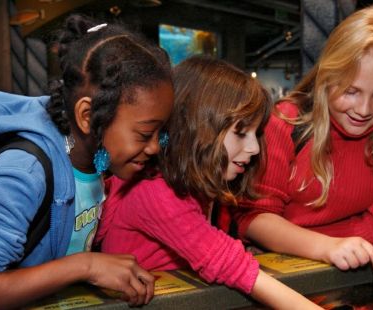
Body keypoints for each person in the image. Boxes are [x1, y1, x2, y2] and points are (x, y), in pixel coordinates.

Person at [0, 15, 174, 309]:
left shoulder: (94, 161)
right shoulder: (25, 172)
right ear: (87, 117)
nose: (154, 148)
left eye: (161, 134)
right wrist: (86, 266)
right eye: (145, 133)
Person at [224, 5, 373, 271]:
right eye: (351, 91)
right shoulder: (287, 121)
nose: (363, 109)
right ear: (327, 77)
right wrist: (326, 247)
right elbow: (255, 218)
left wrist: (287, 236)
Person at [97, 56, 322, 309]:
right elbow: (233, 267)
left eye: (256, 134)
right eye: (240, 132)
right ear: (196, 127)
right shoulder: (155, 191)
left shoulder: (192, 186)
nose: (254, 148)